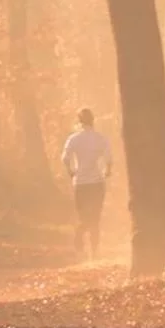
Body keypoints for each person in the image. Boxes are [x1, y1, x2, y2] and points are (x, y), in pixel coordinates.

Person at [61, 107, 112, 259]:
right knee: (96, 217)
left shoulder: (74, 139)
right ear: (93, 120)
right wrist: (107, 171)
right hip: (96, 182)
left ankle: (79, 236)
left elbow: (65, 157)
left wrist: (71, 171)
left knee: (83, 216)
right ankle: (94, 251)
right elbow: (109, 158)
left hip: (80, 183)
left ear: (79, 121)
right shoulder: (100, 138)